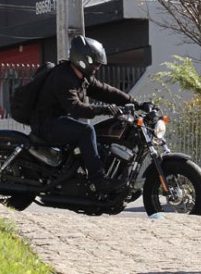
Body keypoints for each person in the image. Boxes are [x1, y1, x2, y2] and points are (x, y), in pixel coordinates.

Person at [31, 34, 140, 195]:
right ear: (83, 60)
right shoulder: (63, 76)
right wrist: (104, 109)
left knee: (99, 138)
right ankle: (99, 180)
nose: (97, 67)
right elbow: (76, 108)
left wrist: (135, 102)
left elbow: (105, 91)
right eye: (95, 64)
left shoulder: (83, 77)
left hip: (60, 121)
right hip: (46, 123)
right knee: (86, 131)